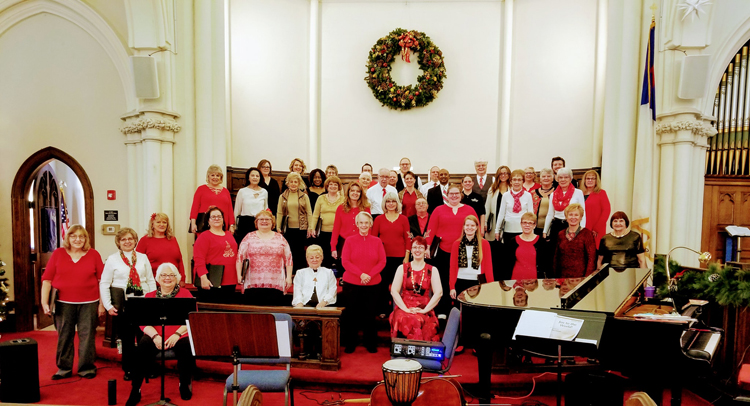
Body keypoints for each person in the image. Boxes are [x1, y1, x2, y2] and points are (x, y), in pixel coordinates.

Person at [125, 263, 196, 406]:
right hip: (155, 334)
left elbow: (192, 318)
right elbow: (143, 322)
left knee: (186, 346)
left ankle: (183, 384)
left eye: (171, 275)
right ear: (158, 278)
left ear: (177, 278)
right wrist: (155, 336)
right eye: (164, 275)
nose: (167, 278)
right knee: (142, 346)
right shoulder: (150, 296)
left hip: (179, 335)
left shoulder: (185, 295)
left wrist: (176, 334)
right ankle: (135, 389)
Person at [41, 225, 105, 380]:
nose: (78, 239)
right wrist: (44, 302)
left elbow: (102, 280)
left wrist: (102, 304)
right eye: (73, 236)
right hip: (63, 303)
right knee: (65, 336)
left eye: (81, 237)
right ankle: (64, 368)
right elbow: (47, 280)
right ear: (68, 238)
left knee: (87, 336)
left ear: (86, 239)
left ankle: (87, 367)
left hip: (89, 303)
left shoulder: (93, 254)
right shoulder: (58, 254)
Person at [100, 227, 157, 380]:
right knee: (127, 339)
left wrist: (153, 301)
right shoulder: (112, 259)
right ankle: (129, 369)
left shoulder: (143, 257)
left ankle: (147, 367)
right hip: (124, 304)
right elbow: (105, 283)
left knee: (145, 337)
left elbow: (151, 280)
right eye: (124, 239)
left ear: (135, 240)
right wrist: (108, 306)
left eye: (130, 238)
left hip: (143, 302)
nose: (127, 241)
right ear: (118, 242)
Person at [426, 183, 478, 316]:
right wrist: (427, 246)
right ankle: (443, 309)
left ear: (461, 195)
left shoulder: (469, 210)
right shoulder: (438, 210)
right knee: (443, 280)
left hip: (464, 252)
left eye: (456, 193)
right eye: (451, 194)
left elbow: (476, 228)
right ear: (446, 195)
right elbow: (431, 229)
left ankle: (462, 309)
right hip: (444, 251)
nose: (454, 196)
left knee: (460, 280)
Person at [341, 212, 386, 353]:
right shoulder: (349, 240)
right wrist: (360, 274)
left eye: (366, 223)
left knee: (370, 314)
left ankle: (370, 342)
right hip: (352, 283)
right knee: (351, 314)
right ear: (357, 224)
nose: (364, 225)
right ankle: (350, 343)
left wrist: (369, 275)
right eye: (361, 223)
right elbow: (345, 261)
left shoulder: (377, 241)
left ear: (370, 224)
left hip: (372, 284)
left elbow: (382, 261)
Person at [389, 237, 442, 341]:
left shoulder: (433, 270)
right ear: (411, 250)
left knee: (422, 321)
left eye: (421, 247)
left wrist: (425, 310)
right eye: (415, 247)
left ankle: (419, 353)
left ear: (425, 250)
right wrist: (406, 309)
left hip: (425, 308)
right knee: (406, 319)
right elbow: (394, 291)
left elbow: (439, 293)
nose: (418, 250)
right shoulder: (402, 268)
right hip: (403, 308)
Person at [237, 210, 293, 306]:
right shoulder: (249, 237)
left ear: (272, 222)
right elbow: (240, 257)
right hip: (253, 282)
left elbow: (288, 259)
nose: (264, 221)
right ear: (256, 222)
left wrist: (288, 278)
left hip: (275, 282)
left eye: (267, 219)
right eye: (261, 219)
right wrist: (239, 275)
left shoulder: (280, 238)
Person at [372, 192, 410, 315]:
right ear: (384, 204)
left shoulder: (404, 219)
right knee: (382, 284)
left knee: (398, 285)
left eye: (393, 201)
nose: (391, 204)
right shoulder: (378, 219)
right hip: (382, 258)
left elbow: (407, 239)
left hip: (399, 258)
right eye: (388, 201)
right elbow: (374, 239)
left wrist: (406, 257)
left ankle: (398, 309)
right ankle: (383, 309)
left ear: (397, 203)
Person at [193, 206, 239, 303]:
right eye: (213, 217)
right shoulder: (204, 236)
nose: (217, 218)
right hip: (212, 280)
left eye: (219, 216)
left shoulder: (229, 235)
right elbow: (199, 259)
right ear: (208, 221)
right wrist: (203, 277)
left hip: (230, 280)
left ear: (223, 220)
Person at [449, 214, 494, 299]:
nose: (470, 228)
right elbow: (453, 267)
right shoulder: (456, 244)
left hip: (477, 281)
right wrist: (452, 287)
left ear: (477, 227)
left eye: (472, 225)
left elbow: (488, 267)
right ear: (463, 227)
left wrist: (490, 286)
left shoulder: (484, 244)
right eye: (467, 225)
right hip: (460, 280)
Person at [543, 167, 586, 255]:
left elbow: (583, 212)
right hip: (557, 226)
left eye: (566, 177)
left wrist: (581, 229)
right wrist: (545, 231)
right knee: (556, 253)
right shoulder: (553, 194)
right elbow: (550, 214)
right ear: (557, 179)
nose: (563, 180)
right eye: (560, 177)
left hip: (572, 226)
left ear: (570, 179)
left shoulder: (578, 193)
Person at [331, 181, 371, 273]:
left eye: (358, 191)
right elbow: (336, 229)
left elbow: (369, 228)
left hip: (361, 242)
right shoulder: (340, 208)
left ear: (361, 194)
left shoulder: (366, 208)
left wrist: (368, 245)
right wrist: (333, 247)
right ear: (348, 192)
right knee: (345, 270)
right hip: (344, 242)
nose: (355, 193)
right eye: (352, 190)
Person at [277, 172, 313, 272]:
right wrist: (278, 227)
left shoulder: (304, 197)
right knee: (289, 251)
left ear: (299, 183)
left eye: (295, 182)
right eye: (291, 182)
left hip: (301, 228)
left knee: (300, 252)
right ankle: (290, 272)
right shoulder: (282, 196)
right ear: (287, 183)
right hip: (287, 229)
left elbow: (309, 213)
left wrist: (310, 227)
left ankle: (300, 272)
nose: (293, 184)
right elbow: (279, 213)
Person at [136, 213, 186, 285]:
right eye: (158, 222)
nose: (161, 224)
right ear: (152, 224)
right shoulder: (145, 240)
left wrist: (182, 279)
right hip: (153, 283)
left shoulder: (172, 239)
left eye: (164, 222)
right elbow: (138, 263)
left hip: (173, 282)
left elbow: (179, 260)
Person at [553, 204, 596, 278]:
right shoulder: (561, 234)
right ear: (566, 217)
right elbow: (556, 257)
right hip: (563, 278)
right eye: (570, 215)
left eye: (576, 215)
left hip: (580, 278)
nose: (573, 217)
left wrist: (586, 279)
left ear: (581, 217)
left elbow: (591, 258)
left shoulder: (587, 234)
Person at [190, 164, 235, 235]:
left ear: (221, 177)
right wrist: (193, 223)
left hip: (222, 225)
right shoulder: (201, 189)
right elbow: (195, 207)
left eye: (218, 175)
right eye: (212, 175)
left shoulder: (226, 191)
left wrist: (231, 225)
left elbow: (230, 210)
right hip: (205, 224)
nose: (215, 177)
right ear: (208, 176)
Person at [311, 176, 345, 269]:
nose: (333, 186)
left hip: (339, 232)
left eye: (335, 184)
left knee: (337, 254)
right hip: (323, 232)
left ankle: (337, 274)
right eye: (331, 184)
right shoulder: (321, 198)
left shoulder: (344, 199)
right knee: (325, 253)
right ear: (327, 186)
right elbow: (315, 215)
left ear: (339, 187)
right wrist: (312, 228)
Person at [495, 170, 534, 247]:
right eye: (514, 180)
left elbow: (531, 215)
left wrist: (531, 231)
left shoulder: (528, 195)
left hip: (523, 231)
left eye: (519, 180)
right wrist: (497, 230)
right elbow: (501, 214)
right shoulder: (506, 195)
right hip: (508, 230)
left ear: (523, 181)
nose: (517, 182)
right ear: (511, 181)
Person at [505, 213, 547, 279]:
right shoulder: (512, 241)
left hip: (535, 280)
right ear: (521, 224)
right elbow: (507, 264)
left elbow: (545, 264)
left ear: (534, 225)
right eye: (524, 222)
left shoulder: (541, 242)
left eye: (530, 223)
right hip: (516, 279)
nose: (527, 225)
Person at [234, 167, 269, 245]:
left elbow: (266, 209)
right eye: (252, 175)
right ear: (248, 177)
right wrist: (234, 226)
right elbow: (237, 210)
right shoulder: (242, 191)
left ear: (260, 178)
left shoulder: (264, 192)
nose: (255, 178)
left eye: (257, 176)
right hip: (245, 223)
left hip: (259, 223)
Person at [580, 170, 610, 249]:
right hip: (581, 229)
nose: (590, 180)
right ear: (584, 180)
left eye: (592, 179)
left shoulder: (601, 193)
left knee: (594, 253)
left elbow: (606, 211)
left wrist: (596, 228)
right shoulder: (579, 193)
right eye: (588, 178)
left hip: (595, 230)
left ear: (596, 181)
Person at [532, 168, 556, 236]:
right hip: (535, 228)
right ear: (540, 179)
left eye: (548, 176)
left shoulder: (557, 193)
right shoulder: (533, 193)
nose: (546, 178)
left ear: (553, 178)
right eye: (543, 176)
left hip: (552, 228)